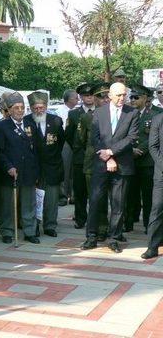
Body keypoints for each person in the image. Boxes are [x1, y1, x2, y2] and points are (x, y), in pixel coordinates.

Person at [81, 82, 139, 253]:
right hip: (100, 164)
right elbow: (95, 138)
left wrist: (111, 153)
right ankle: (91, 237)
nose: (122, 98)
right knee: (96, 201)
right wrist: (107, 157)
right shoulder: (99, 112)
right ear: (110, 95)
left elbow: (131, 137)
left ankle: (114, 238)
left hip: (122, 166)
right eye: (118, 95)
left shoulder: (132, 113)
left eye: (124, 95)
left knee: (118, 204)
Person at [0, 92, 40, 244]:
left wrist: (36, 170)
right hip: (11, 171)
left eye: (22, 107)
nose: (20, 110)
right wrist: (8, 167)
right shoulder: (2, 126)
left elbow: (36, 149)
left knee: (29, 203)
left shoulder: (30, 124)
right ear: (9, 109)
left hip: (28, 171)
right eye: (16, 108)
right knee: (8, 204)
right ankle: (7, 231)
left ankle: (30, 231)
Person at [23, 91, 65, 237]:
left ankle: (50, 225)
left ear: (46, 107)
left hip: (52, 166)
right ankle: (34, 226)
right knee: (33, 198)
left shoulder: (56, 121)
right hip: (32, 167)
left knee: (52, 199)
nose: (38, 110)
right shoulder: (25, 121)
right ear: (31, 108)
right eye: (35, 107)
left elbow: (60, 143)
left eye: (41, 107)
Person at [125, 85, 163, 233]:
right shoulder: (127, 113)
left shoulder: (155, 114)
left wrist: (141, 149)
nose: (133, 100)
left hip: (147, 161)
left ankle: (149, 225)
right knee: (129, 195)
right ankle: (128, 224)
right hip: (129, 160)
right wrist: (130, 149)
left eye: (136, 97)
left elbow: (155, 138)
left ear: (145, 98)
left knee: (148, 197)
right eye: (131, 97)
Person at [82, 83, 111, 240]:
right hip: (93, 163)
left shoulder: (115, 115)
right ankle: (98, 229)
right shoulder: (87, 117)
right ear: (94, 98)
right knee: (95, 199)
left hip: (113, 162)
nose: (105, 99)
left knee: (113, 199)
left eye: (108, 96)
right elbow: (80, 142)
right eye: (101, 96)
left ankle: (109, 228)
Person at [65, 85, 94, 229]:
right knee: (80, 190)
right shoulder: (74, 114)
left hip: (97, 158)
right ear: (80, 97)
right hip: (79, 158)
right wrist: (78, 150)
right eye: (85, 95)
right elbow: (69, 136)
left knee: (96, 192)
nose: (88, 97)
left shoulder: (101, 112)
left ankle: (96, 220)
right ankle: (80, 218)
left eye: (91, 95)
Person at [142, 101, 163, 259]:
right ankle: (152, 246)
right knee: (157, 209)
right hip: (161, 173)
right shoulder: (158, 119)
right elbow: (153, 146)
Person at [56, 89, 78, 207]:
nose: (78, 100)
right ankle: (63, 195)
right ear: (69, 99)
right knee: (65, 168)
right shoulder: (59, 111)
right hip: (64, 141)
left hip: (76, 141)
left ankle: (74, 195)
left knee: (75, 169)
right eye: (75, 98)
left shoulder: (78, 111)